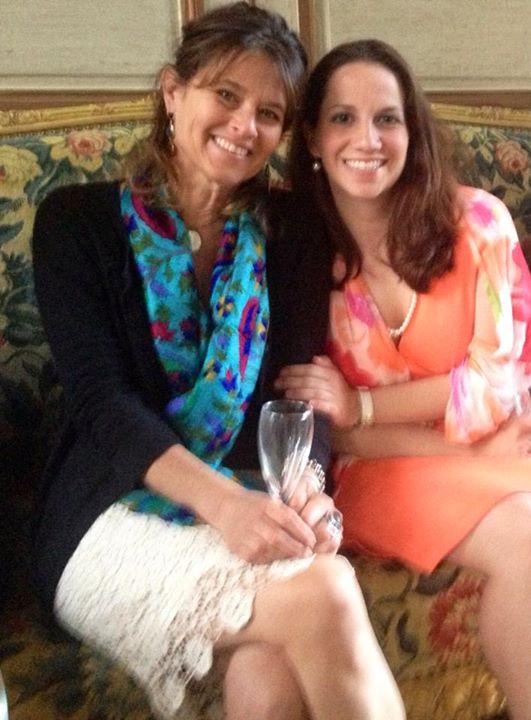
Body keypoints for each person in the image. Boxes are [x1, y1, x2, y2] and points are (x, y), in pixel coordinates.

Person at [31, 8, 405, 720]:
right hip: (108, 518)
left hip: (249, 502)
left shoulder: (292, 232)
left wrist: (310, 494)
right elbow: (102, 403)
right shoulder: (74, 222)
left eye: (269, 112)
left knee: (271, 669)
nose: (244, 125)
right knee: (325, 589)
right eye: (225, 95)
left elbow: (297, 395)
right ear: (173, 92)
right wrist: (224, 505)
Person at [275, 38, 531, 720]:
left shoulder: (478, 223)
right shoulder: (293, 256)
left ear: (411, 131)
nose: (368, 139)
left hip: (495, 447)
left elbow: (496, 390)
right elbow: (320, 433)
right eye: (343, 118)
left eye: (387, 118)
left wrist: (362, 404)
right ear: (312, 138)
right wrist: (459, 445)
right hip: (370, 477)